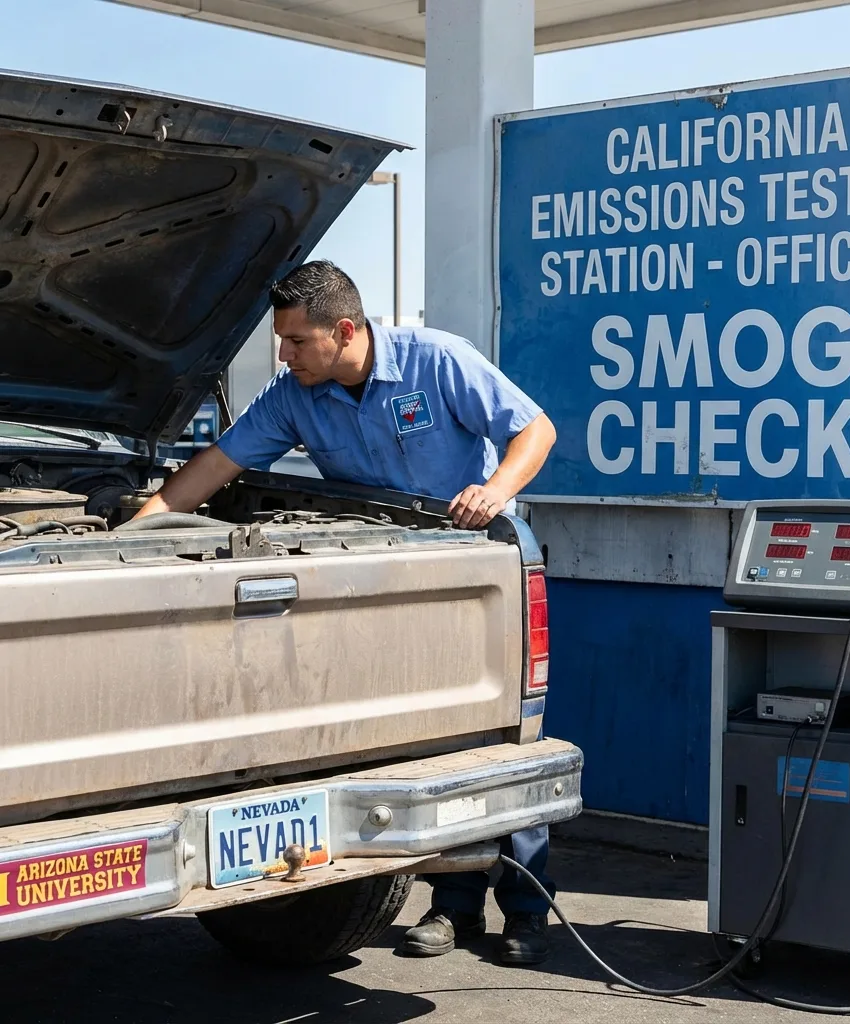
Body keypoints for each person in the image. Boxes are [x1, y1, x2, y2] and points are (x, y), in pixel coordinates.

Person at [132, 259, 559, 966]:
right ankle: (453, 908)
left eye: (297, 341)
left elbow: (534, 430)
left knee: (497, 738)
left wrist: (493, 488)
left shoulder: (438, 360)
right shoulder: (297, 395)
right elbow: (213, 469)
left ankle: (528, 910)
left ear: (346, 332)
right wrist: (136, 535)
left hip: (472, 571)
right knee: (423, 744)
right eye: (282, 340)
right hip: (385, 584)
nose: (284, 354)